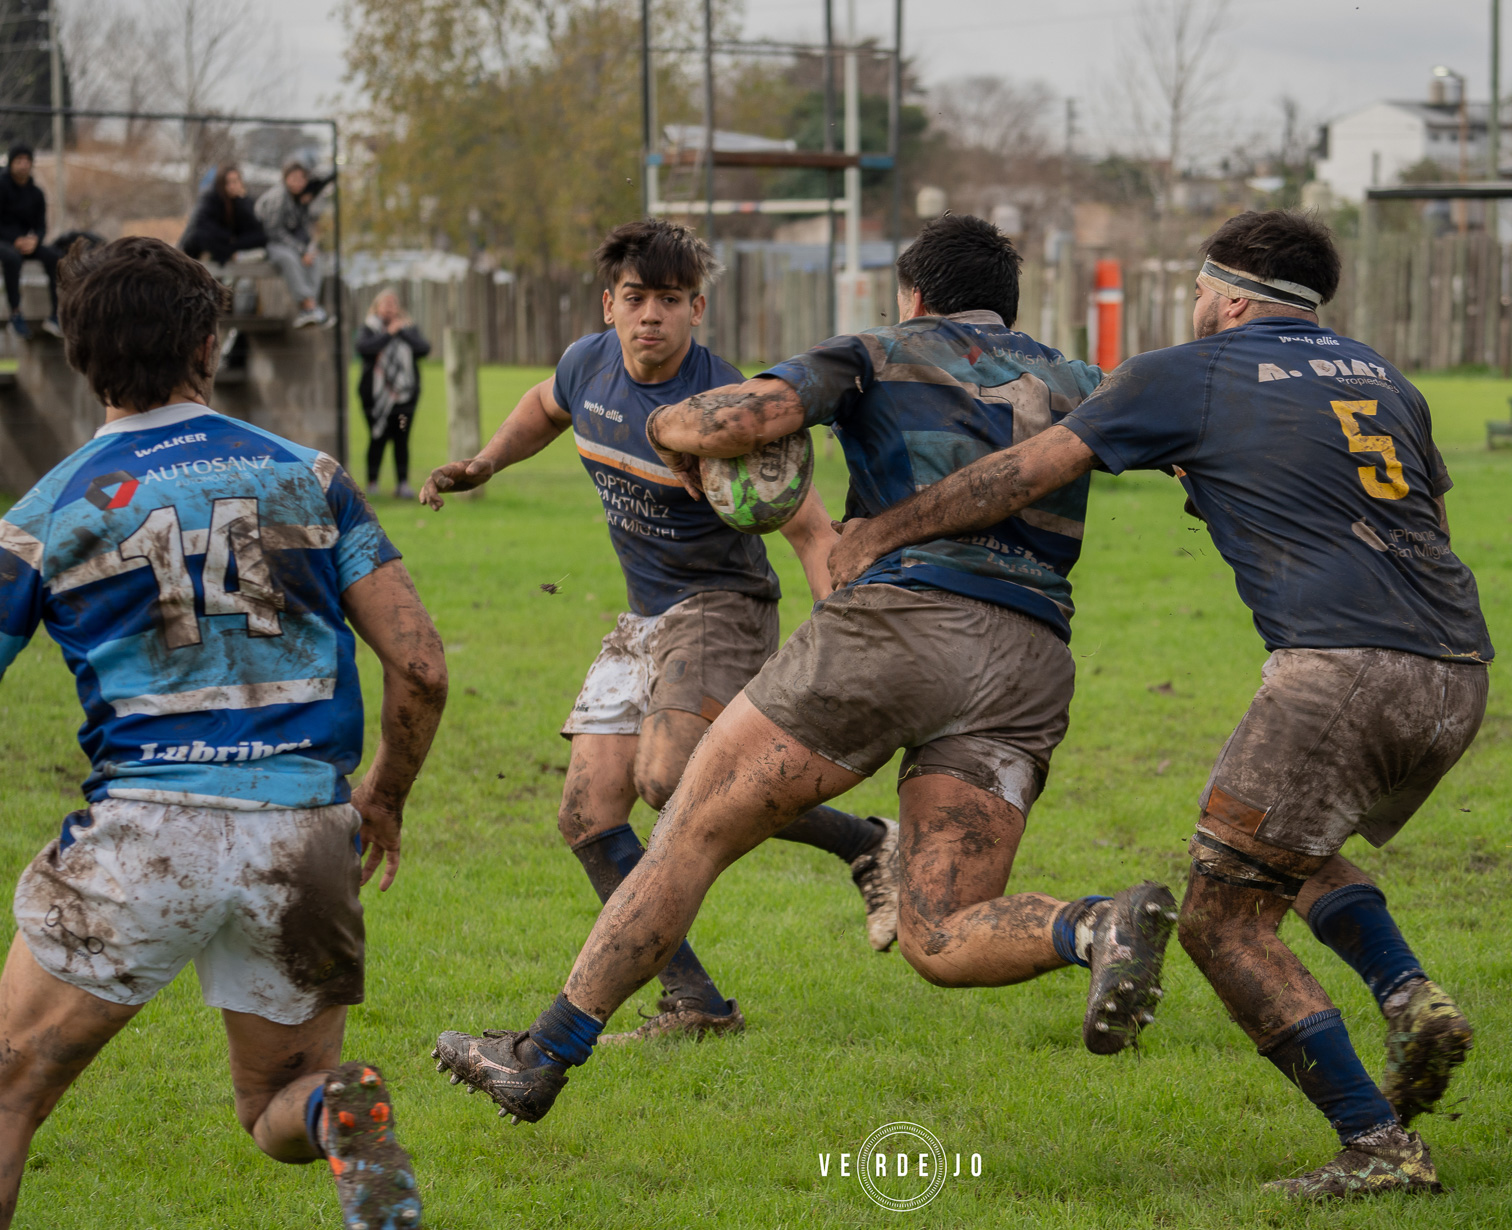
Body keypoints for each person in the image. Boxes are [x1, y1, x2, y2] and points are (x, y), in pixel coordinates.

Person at [430, 213, 1175, 1123]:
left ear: (914, 295)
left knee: (690, 828)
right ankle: (1095, 924)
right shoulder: (1077, 378)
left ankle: (540, 1054)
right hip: (1029, 660)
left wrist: (668, 422)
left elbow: (740, 418)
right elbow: (1187, 458)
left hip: (898, 629)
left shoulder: (877, 349)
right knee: (937, 932)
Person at [827, 210, 1493, 1200]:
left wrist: (885, 531)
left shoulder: (1194, 368)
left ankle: (1376, 1144)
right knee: (1282, 845)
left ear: (1228, 296)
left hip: (1341, 670)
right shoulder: (1382, 377)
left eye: (1196, 291)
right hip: (1459, 668)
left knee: (1221, 922)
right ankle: (1407, 992)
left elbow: (1023, 471)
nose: (1192, 307)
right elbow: (1426, 519)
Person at [0, 237, 446, 1229]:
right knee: (273, 1107)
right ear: (211, 341)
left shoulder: (46, 512)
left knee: (7, 1099)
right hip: (306, 836)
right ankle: (336, 1114)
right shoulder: (310, 475)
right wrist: (383, 796)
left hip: (146, 839)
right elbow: (422, 665)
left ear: (77, 353)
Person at [420, 218, 896, 1044]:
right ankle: (697, 1006)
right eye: (636, 299)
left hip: (720, 604)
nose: (651, 317)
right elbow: (544, 407)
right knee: (587, 817)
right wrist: (486, 462)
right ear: (610, 305)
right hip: (644, 618)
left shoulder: (729, 407)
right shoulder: (586, 364)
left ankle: (866, 840)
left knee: (672, 778)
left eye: (670, 301)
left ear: (697, 308)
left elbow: (812, 530)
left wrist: (842, 630)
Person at [357, 289, 431, 500]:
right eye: (385, 303)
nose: (389, 307)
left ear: (398, 308)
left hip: (403, 400)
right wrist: (388, 334)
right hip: (375, 400)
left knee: (401, 438)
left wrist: (400, 332)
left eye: (393, 303)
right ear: (377, 307)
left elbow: (423, 348)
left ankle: (402, 484)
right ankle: (372, 483)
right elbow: (363, 348)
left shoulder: (408, 329)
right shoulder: (369, 329)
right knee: (377, 437)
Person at [255, 157, 333, 328]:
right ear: (285, 178)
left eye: (302, 178)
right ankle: (309, 307)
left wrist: (308, 249)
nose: (299, 182)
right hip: (268, 244)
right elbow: (273, 232)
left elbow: (304, 230)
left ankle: (309, 308)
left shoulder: (300, 198)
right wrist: (300, 250)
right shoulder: (279, 197)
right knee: (289, 258)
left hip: (290, 244)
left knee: (315, 258)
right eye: (294, 178)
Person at [0, 144, 61, 339]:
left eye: (27, 161)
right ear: (11, 163)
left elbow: (42, 226)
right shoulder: (1, 186)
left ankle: (55, 316)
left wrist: (35, 240)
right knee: (12, 259)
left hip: (27, 242)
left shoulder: (36, 193)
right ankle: (16, 313)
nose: (23, 165)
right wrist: (15, 240)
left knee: (55, 257)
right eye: (19, 160)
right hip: (4, 241)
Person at [178, 163, 269, 264]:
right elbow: (200, 224)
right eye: (228, 182)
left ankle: (233, 255)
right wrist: (228, 237)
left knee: (259, 237)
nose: (232, 186)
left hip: (229, 242)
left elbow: (254, 227)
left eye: (235, 181)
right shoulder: (210, 196)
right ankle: (230, 255)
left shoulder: (240, 200)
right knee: (204, 237)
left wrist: (244, 199)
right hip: (208, 240)